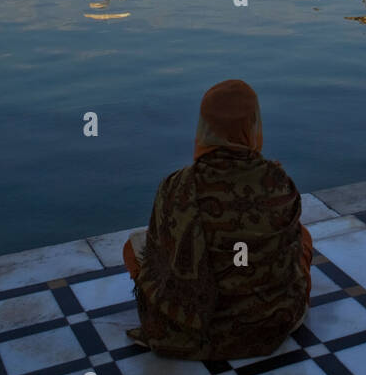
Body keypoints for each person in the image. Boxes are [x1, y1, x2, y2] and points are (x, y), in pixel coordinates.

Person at [123, 79, 312, 360]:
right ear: (253, 124)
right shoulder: (278, 182)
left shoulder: (177, 186)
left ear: (204, 127)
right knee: (303, 238)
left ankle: (191, 319)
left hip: (194, 328)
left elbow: (160, 256)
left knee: (133, 247)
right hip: (273, 321)